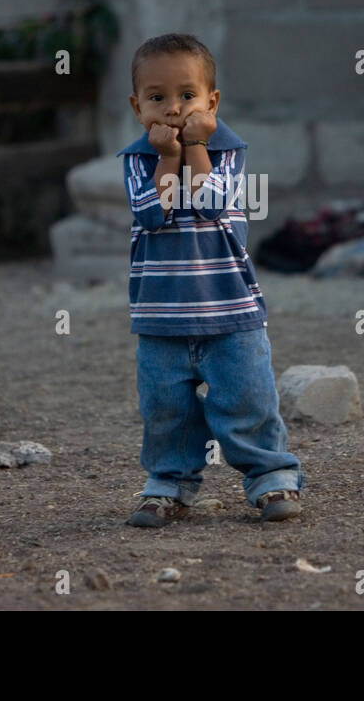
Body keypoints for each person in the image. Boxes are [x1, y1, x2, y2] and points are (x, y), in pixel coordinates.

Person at [116, 33, 304, 526]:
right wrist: (167, 156)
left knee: (247, 400)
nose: (173, 109)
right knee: (166, 411)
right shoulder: (137, 161)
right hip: (161, 317)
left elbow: (209, 202)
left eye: (187, 96)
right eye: (157, 98)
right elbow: (153, 213)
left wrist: (194, 145)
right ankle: (169, 485)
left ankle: (270, 478)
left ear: (212, 102)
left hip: (231, 312)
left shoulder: (228, 152)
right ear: (138, 108)